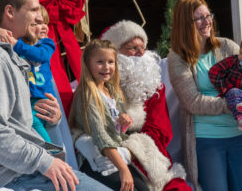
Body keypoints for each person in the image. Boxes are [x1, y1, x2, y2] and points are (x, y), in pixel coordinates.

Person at [0, 0, 111, 191]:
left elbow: (20, 121)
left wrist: (51, 119)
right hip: (18, 175)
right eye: (33, 9)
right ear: (10, 12)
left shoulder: (14, 55)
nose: (40, 17)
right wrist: (44, 161)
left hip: (34, 169)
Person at [73, 20, 191, 191]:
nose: (141, 53)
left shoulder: (153, 87)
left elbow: (160, 131)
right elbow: (84, 127)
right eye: (132, 48)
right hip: (105, 156)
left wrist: (129, 151)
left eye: (143, 47)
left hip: (145, 155)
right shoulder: (92, 90)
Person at [167, 0, 242, 191]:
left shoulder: (228, 47)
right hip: (207, 139)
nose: (207, 22)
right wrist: (232, 103)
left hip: (237, 135)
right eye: (199, 18)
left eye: (208, 16)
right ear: (185, 23)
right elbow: (192, 101)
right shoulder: (177, 57)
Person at [69, 39, 151, 191]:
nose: (106, 67)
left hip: (116, 156)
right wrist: (123, 170)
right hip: (97, 162)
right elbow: (101, 136)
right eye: (100, 62)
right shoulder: (88, 94)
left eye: (111, 62)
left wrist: (123, 122)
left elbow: (117, 131)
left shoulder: (113, 91)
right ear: (88, 64)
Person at [0, 5, 56, 142]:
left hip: (43, 98)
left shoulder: (46, 43)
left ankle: (51, 152)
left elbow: (41, 56)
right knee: (32, 128)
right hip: (27, 99)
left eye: (45, 23)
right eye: (36, 24)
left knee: (38, 129)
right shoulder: (20, 43)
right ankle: (48, 152)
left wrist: (16, 44)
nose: (44, 27)